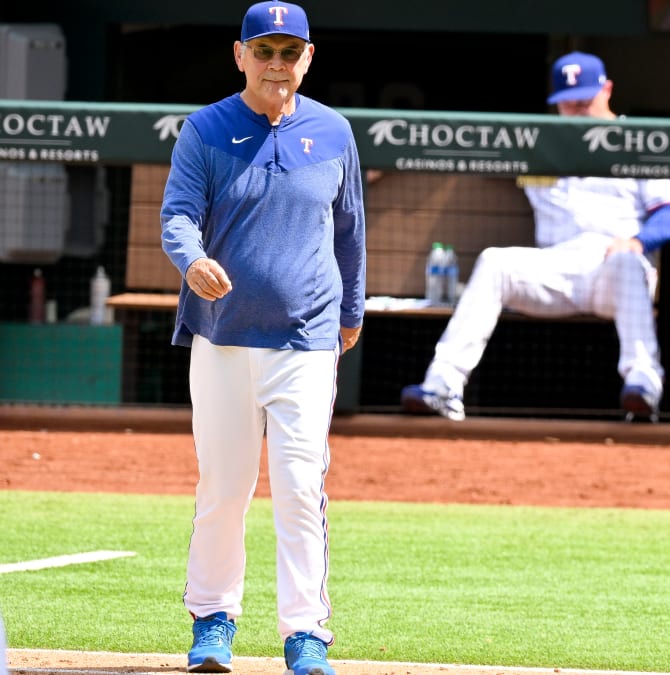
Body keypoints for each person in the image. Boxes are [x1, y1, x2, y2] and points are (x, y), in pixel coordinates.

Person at [160, 2, 365, 673]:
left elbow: (350, 230)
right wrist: (191, 260)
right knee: (224, 484)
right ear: (240, 53)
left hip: (306, 338)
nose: (276, 64)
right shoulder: (206, 128)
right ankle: (212, 621)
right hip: (221, 337)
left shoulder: (334, 133)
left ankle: (305, 632)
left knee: (303, 483)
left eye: (289, 52)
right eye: (264, 50)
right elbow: (179, 215)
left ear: (308, 58)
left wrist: (353, 307)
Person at [400, 52, 670, 422]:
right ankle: (443, 386)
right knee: (494, 261)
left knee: (627, 261)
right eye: (570, 103)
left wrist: (639, 242)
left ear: (608, 90)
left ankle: (644, 382)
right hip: (556, 268)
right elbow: (461, 146)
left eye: (586, 100)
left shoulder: (640, 140)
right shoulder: (541, 144)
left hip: (614, 267)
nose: (579, 110)